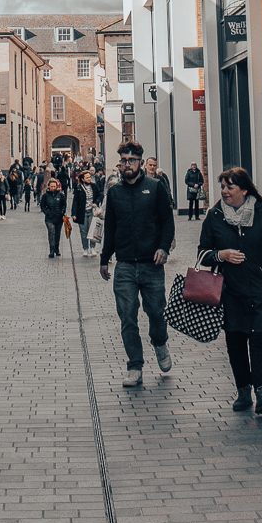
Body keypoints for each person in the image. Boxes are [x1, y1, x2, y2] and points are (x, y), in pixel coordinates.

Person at [198, 167, 262, 415]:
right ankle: (243, 391)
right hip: (229, 291)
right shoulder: (214, 216)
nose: (224, 192)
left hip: (260, 291)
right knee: (235, 342)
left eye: (230, 187)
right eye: (222, 187)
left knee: (259, 340)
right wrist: (221, 255)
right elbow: (202, 253)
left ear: (244, 190)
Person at [99, 140, 174, 387]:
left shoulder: (155, 188)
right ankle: (135, 366)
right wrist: (104, 259)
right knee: (127, 316)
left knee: (155, 311)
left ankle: (160, 342)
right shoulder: (115, 192)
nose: (127, 164)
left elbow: (167, 222)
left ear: (140, 162)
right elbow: (110, 227)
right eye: (124, 160)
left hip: (151, 263)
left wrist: (163, 247)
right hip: (125, 266)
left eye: (132, 160)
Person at [39, 173, 67, 258]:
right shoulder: (45, 196)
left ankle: (57, 248)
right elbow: (42, 206)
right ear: (49, 186)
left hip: (59, 218)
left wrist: (62, 212)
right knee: (51, 232)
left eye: (54, 186)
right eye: (51, 186)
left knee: (57, 234)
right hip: (49, 218)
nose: (53, 188)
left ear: (57, 186)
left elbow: (64, 205)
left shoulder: (61, 195)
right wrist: (47, 212)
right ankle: (51, 250)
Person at [71, 171, 94, 256]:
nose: (89, 179)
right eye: (87, 177)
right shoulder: (79, 188)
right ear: (83, 179)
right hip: (82, 213)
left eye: (90, 177)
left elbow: (99, 195)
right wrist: (73, 213)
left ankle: (92, 247)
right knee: (83, 231)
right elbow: (75, 201)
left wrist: (96, 202)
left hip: (92, 212)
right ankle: (85, 248)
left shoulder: (94, 186)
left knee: (92, 230)